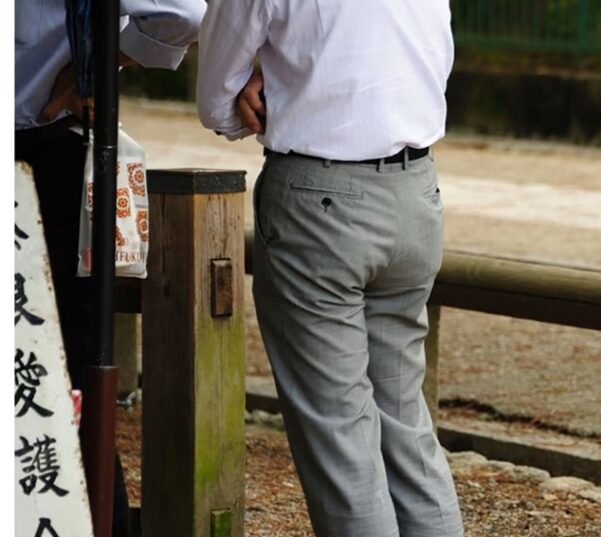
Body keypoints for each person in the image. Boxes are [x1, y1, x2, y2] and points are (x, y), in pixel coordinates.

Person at [196, 1, 463, 536]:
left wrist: (251, 93)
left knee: (340, 432)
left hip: (320, 201)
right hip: (416, 193)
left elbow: (216, 96)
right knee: (404, 423)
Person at [15, 0, 205, 535]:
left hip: (40, 151)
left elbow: (181, 12)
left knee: (57, 368)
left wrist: (92, 69)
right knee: (55, 368)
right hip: (45, 150)